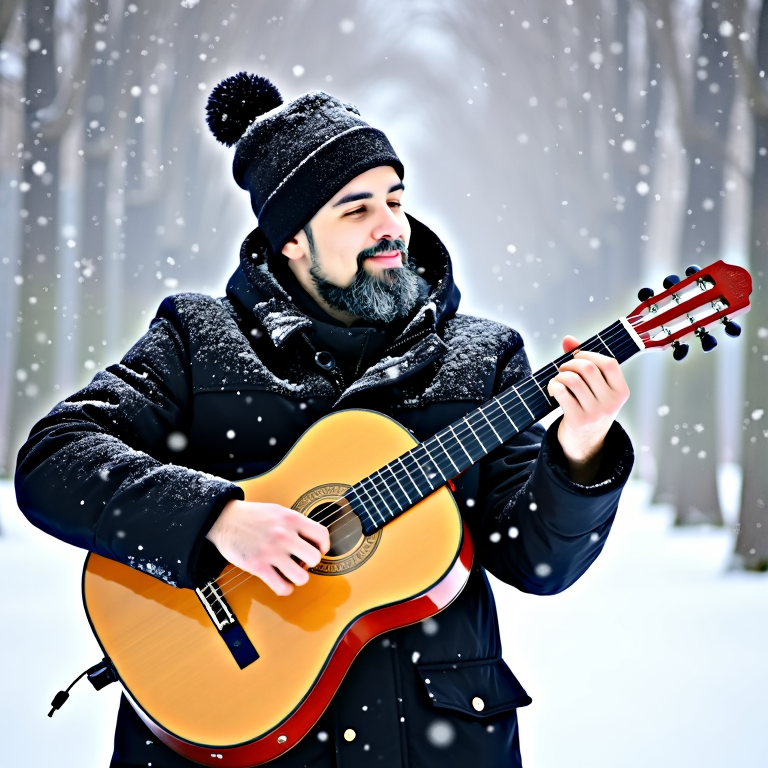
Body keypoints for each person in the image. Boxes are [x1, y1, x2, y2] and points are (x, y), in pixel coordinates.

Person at [15, 72, 633, 768]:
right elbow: (54, 460)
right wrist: (216, 517)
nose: (390, 226)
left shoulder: (483, 358)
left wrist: (580, 453)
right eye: (355, 208)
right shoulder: (198, 340)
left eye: (395, 199)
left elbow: (540, 560)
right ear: (291, 241)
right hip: (224, 727)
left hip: (433, 745)